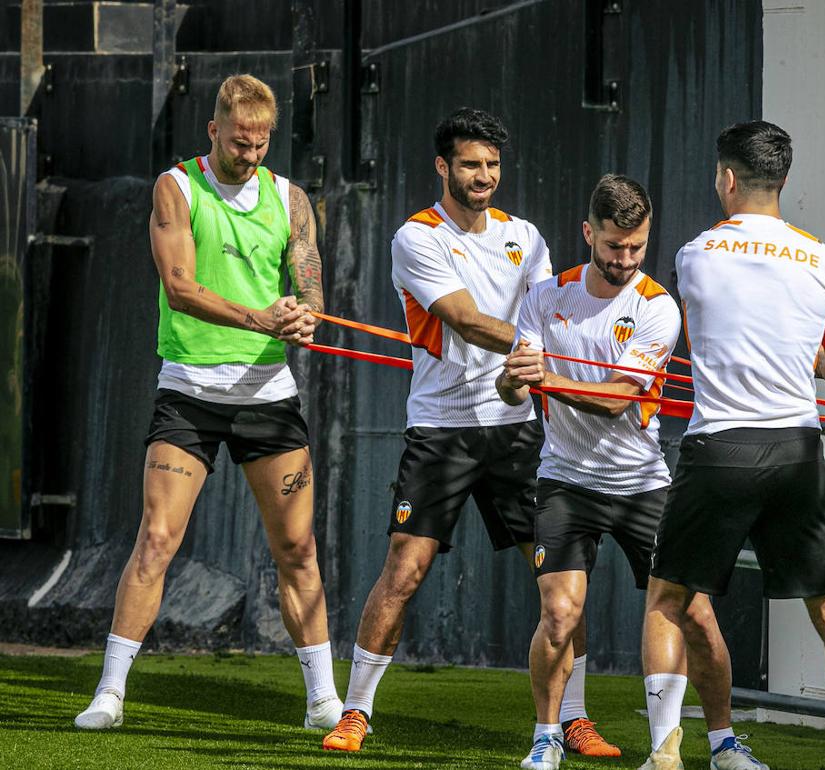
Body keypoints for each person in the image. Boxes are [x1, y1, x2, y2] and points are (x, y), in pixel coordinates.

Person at [321, 109, 615, 757]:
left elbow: (549, 312)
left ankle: (575, 717)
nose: (483, 177)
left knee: (559, 577)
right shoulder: (416, 237)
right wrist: (539, 344)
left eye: (492, 165)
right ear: (442, 167)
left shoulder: (525, 235)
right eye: (470, 165)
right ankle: (355, 712)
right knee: (404, 569)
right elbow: (463, 319)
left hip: (517, 430)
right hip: (442, 430)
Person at [73, 74, 340, 731]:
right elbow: (182, 287)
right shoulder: (178, 187)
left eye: (262, 144)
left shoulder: (291, 199)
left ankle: (323, 700)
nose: (252, 155)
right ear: (214, 130)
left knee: (299, 549)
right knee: (158, 538)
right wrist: (262, 320)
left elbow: (311, 289)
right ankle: (109, 694)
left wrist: (306, 318)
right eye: (241, 143)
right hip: (190, 393)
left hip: (267, 398)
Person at [640, 121, 825, 770]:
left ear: (727, 179)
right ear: (783, 180)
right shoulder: (824, 257)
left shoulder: (694, 255)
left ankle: (666, 754)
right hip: (798, 448)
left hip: (720, 444)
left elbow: (696, 340)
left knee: (667, 599)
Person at [497, 174, 734, 770]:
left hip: (640, 483)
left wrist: (543, 378)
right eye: (613, 247)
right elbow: (511, 393)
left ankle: (725, 742)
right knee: (559, 613)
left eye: (636, 246)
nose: (625, 259)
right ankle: (546, 738)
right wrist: (510, 376)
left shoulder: (656, 306)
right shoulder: (545, 298)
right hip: (565, 480)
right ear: (588, 234)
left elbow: (617, 397)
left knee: (697, 615)